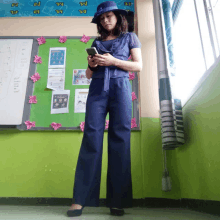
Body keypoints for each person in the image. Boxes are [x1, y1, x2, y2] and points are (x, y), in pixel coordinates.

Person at [67, 1, 142, 217]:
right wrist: (92, 64)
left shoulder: (130, 38)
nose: (106, 20)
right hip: (98, 90)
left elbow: (138, 66)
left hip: (120, 88)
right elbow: (89, 75)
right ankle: (79, 200)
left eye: (109, 15)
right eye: (102, 18)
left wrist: (113, 61)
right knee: (91, 138)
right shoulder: (96, 42)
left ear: (118, 17)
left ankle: (117, 200)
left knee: (120, 139)